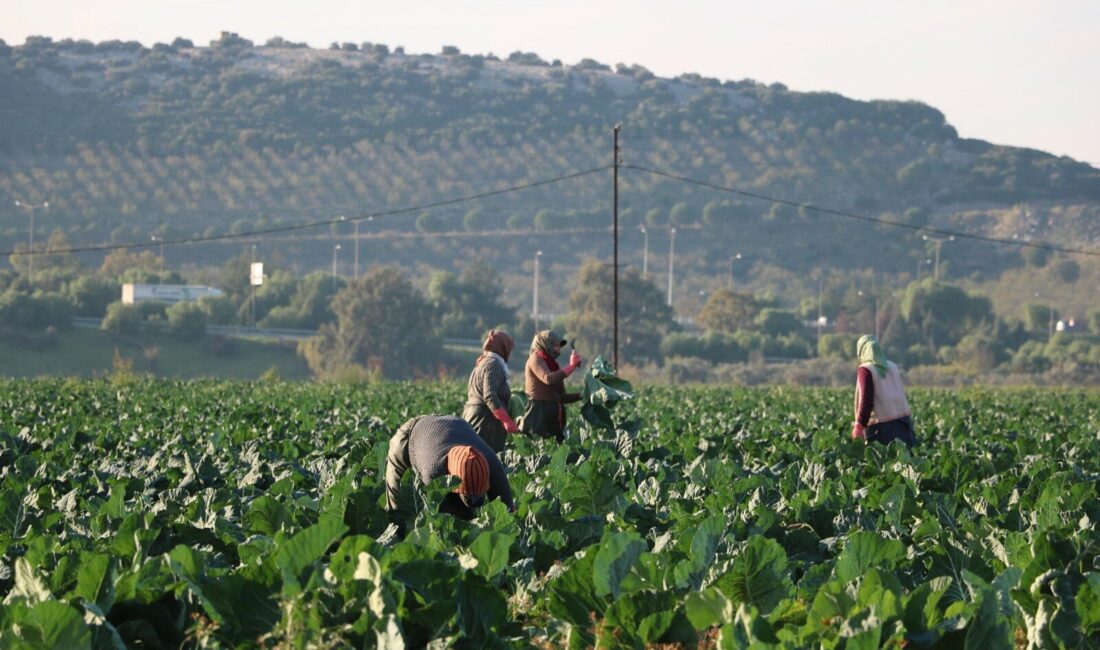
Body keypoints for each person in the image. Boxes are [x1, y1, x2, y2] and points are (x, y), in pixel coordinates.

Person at [385, 415, 515, 526]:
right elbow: (440, 517)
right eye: (470, 495)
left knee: (465, 517)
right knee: (400, 514)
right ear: (452, 480)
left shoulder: (493, 464)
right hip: (409, 438)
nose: (474, 500)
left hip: (445, 427)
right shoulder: (433, 471)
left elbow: (508, 511)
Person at [851, 335, 917, 447]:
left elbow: (866, 400)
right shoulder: (892, 366)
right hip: (904, 424)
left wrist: (859, 424)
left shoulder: (866, 369)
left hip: (881, 429)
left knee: (883, 458)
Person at [521, 330, 583, 442]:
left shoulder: (553, 365)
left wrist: (582, 395)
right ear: (545, 344)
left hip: (553, 420)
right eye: (555, 345)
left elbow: (561, 397)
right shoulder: (535, 359)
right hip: (538, 417)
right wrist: (571, 366)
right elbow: (548, 379)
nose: (558, 349)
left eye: (559, 346)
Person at [462, 330, 518, 453]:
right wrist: (506, 421)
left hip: (474, 416)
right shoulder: (493, 364)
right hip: (485, 421)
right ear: (503, 348)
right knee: (487, 458)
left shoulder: (482, 363)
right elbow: (490, 395)